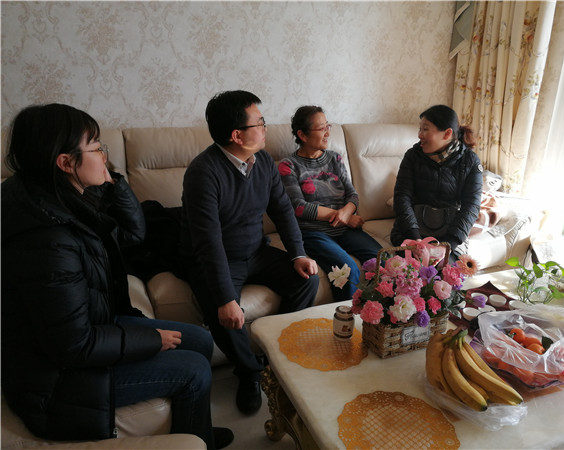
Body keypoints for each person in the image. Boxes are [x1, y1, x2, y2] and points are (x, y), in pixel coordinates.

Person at [1, 104, 233, 450]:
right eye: (96, 148)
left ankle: (196, 430)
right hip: (54, 379)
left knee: (199, 340)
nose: (105, 157)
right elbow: (73, 346)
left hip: (91, 327)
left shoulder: (59, 196)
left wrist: (113, 183)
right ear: (65, 162)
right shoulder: (47, 239)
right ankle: (198, 441)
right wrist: (151, 339)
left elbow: (131, 234)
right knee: (194, 368)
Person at [180, 91, 319, 415]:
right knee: (223, 310)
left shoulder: (264, 162)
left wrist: (298, 254)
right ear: (237, 135)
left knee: (307, 280)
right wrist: (226, 297)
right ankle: (249, 372)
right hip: (217, 257)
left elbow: (283, 211)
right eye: (260, 123)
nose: (266, 128)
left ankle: (277, 356)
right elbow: (208, 241)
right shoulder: (203, 173)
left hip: (256, 250)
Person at [278, 106, 382, 301]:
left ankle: (379, 314)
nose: (327, 133)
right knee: (347, 270)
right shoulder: (288, 165)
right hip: (313, 233)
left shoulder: (335, 158)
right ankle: (346, 317)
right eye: (321, 128)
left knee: (382, 261)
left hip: (345, 230)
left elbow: (352, 195)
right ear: (302, 135)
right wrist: (344, 217)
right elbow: (298, 207)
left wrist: (345, 215)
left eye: (328, 126)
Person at [390, 104, 483, 262]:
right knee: (410, 271)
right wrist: (415, 239)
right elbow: (401, 197)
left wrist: (448, 244)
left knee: (446, 272)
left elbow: (471, 206)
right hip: (411, 232)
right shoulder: (412, 156)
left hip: (448, 234)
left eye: (425, 129)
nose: (419, 135)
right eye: (420, 129)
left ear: (447, 134)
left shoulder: (470, 161)